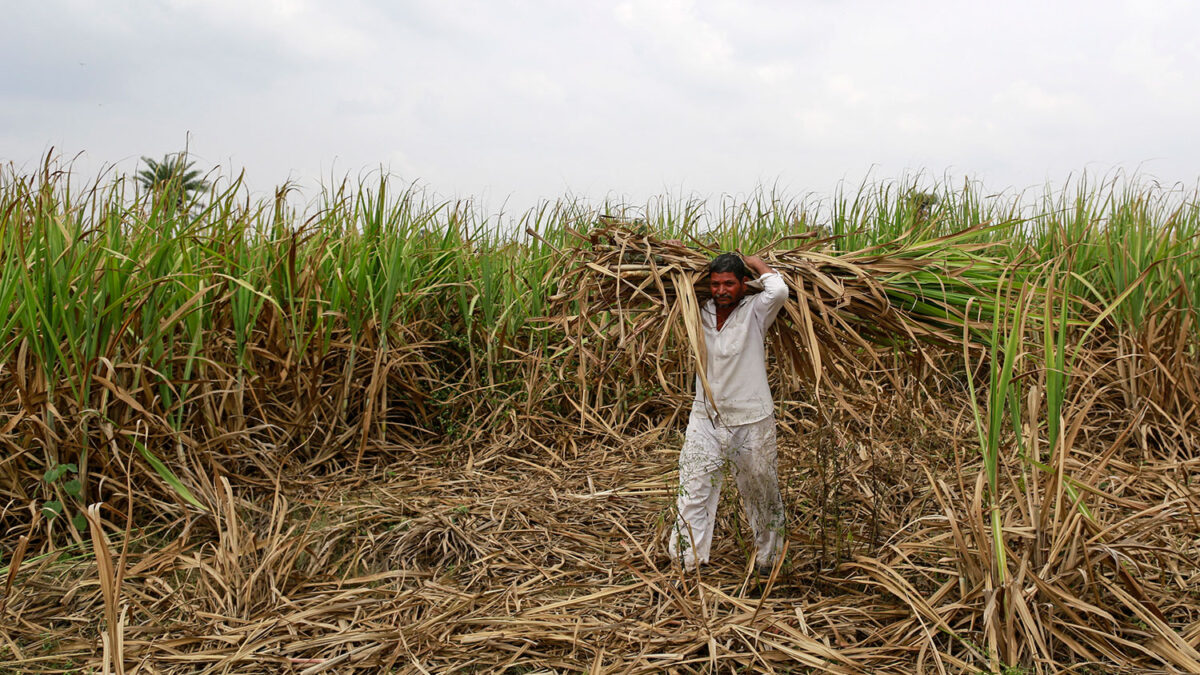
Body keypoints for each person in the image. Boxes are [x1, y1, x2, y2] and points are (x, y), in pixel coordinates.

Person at [667, 250, 789, 575]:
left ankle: (770, 559)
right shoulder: (701, 311)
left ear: (743, 284)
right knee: (692, 488)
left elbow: (779, 290)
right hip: (705, 417)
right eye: (716, 284)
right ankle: (687, 561)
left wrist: (757, 262)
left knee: (760, 490)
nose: (722, 290)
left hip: (752, 420)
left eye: (729, 284)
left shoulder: (756, 311)